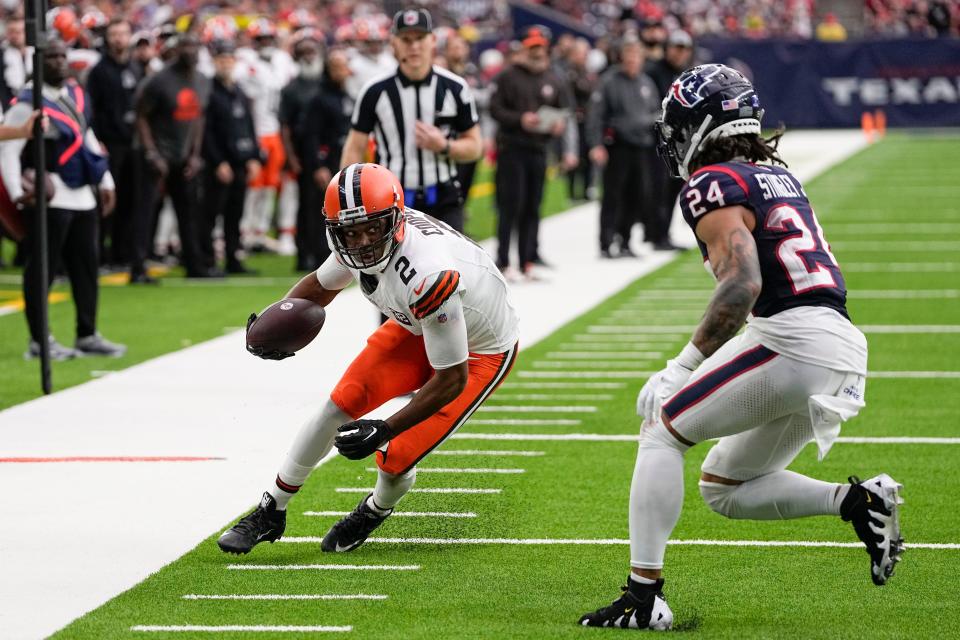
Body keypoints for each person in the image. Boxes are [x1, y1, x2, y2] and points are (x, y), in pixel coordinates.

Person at [579, 64, 903, 629]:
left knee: (662, 428)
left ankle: (642, 596)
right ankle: (858, 503)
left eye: (679, 126)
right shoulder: (774, 176)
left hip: (793, 339)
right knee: (725, 488)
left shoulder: (713, 184)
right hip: (841, 345)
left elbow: (743, 284)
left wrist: (683, 364)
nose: (673, 138)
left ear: (704, 124)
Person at [217, 163, 519, 555]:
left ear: (393, 220)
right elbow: (318, 287)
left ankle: (374, 510)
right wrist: (276, 321)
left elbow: (451, 380)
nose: (361, 241)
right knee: (338, 405)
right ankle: (272, 509)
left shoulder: (429, 273)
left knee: (397, 456)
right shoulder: (360, 233)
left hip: (479, 350)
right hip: (415, 325)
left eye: (371, 229)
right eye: (350, 233)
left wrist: (386, 427)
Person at [0, 39, 125, 359]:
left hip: (82, 193)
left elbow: (87, 136)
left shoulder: (74, 95)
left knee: (86, 268)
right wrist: (17, 194)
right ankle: (40, 340)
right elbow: (9, 151)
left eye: (61, 55)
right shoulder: (28, 102)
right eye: (51, 57)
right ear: (38, 63)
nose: (58, 61)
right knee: (42, 270)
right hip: (50, 194)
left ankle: (87, 333)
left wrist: (105, 178)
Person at [340, 8, 483, 233]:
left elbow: (475, 147)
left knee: (449, 267)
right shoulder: (374, 91)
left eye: (420, 38)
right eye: (406, 39)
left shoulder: (455, 87)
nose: (414, 46)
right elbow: (354, 148)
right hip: (388, 199)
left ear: (433, 41)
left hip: (443, 198)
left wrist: (444, 146)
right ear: (394, 43)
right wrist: (349, 198)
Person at [489, 25, 577, 278]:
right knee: (510, 206)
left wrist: (558, 124)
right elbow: (495, 109)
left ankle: (528, 260)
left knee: (533, 206)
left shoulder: (552, 78)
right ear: (525, 49)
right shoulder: (508, 76)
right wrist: (520, 119)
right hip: (512, 149)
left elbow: (564, 111)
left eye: (541, 47)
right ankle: (505, 261)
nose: (538, 52)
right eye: (533, 47)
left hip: (539, 149)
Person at [131, 33, 212, 283]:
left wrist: (195, 154)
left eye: (194, 44)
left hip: (183, 156)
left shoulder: (202, 80)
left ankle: (194, 265)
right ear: (176, 50)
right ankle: (138, 268)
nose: (190, 50)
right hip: (157, 155)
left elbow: (199, 116)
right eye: (185, 44)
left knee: (187, 212)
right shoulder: (159, 80)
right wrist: (152, 153)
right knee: (145, 212)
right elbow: (141, 115)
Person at [586, 35, 661, 258]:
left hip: (641, 146)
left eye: (636, 56)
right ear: (621, 57)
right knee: (613, 195)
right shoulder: (609, 82)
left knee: (637, 195)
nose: (632, 61)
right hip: (617, 146)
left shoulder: (646, 83)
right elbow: (596, 115)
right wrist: (596, 144)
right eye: (629, 56)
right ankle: (606, 241)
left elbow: (656, 111)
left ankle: (626, 240)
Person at [201, 40, 262, 275]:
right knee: (210, 214)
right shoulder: (209, 91)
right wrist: (217, 162)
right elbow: (206, 132)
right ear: (215, 62)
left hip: (239, 161)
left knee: (234, 215)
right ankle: (207, 260)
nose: (226, 63)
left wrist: (254, 157)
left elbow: (248, 125)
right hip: (219, 164)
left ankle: (233, 258)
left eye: (229, 59)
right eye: (221, 59)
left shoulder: (238, 91)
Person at [86, 18, 142, 268]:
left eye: (123, 33)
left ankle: (122, 252)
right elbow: (92, 109)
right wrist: (97, 140)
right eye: (115, 34)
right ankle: (100, 253)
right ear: (108, 38)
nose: (119, 38)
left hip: (133, 142)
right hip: (110, 143)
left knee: (131, 200)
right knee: (108, 199)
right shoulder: (99, 71)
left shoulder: (136, 68)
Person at [298, 48, 353, 271]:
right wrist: (318, 165)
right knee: (315, 209)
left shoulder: (346, 97)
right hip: (324, 160)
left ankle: (333, 252)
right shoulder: (319, 99)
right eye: (336, 67)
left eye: (343, 66)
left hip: (341, 159)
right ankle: (310, 254)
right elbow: (311, 135)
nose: (342, 71)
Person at [279, 31, 325, 271]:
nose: (309, 56)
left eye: (312, 51)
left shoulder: (325, 85)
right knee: (305, 206)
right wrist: (291, 157)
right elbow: (285, 126)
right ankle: (304, 253)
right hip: (303, 154)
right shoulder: (291, 89)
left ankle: (323, 252)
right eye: (304, 52)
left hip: (325, 153)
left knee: (326, 206)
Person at [645, 30, 695, 252]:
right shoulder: (653, 72)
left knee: (673, 188)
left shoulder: (686, 74)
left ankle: (661, 233)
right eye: (676, 48)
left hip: (678, 141)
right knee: (658, 188)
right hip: (656, 140)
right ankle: (656, 235)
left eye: (684, 49)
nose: (679, 53)